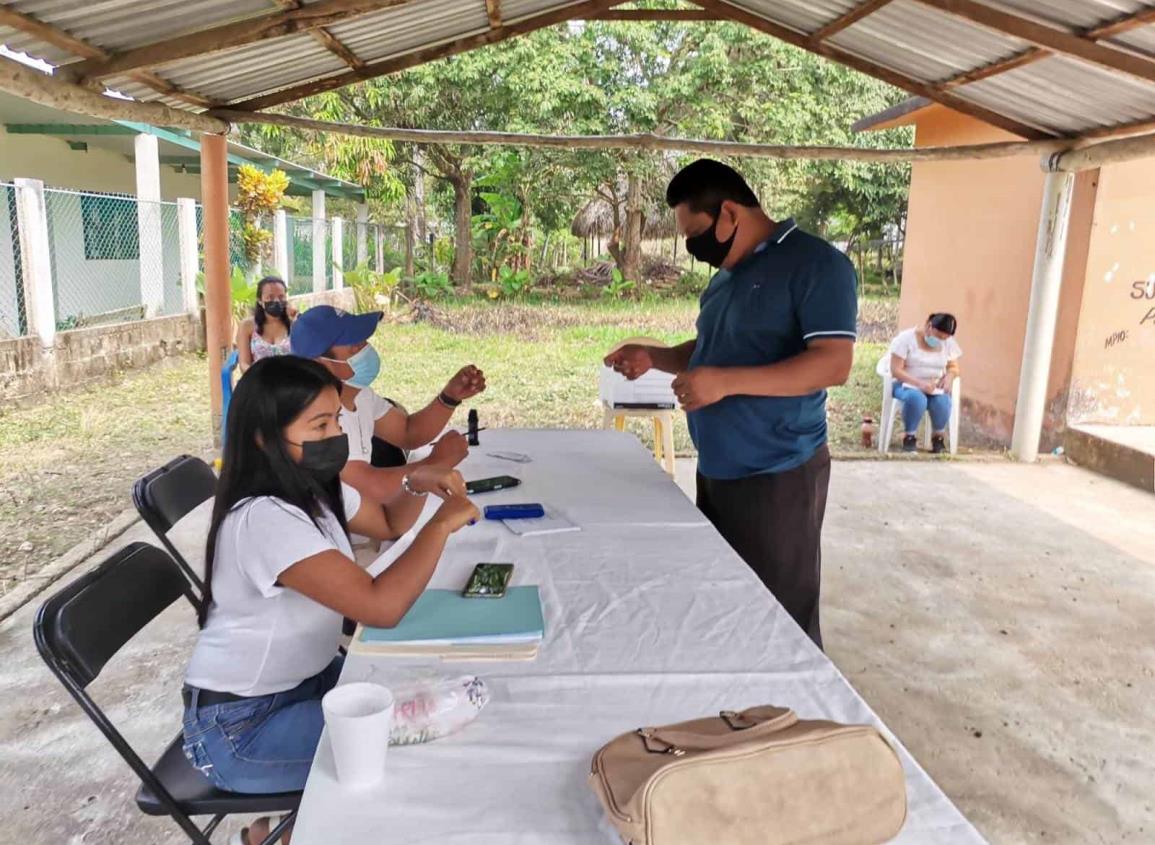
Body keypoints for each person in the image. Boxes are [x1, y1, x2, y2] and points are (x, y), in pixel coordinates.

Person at [181, 356, 479, 845]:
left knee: (430, 700)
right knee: (412, 745)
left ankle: (281, 832)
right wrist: (442, 524)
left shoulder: (312, 486)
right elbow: (380, 607)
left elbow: (387, 525)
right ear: (264, 437)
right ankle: (285, 835)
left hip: (305, 684)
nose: (335, 435)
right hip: (241, 729)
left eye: (336, 421)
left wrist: (420, 479)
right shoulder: (264, 518)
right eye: (319, 424)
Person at [604, 159, 857, 649]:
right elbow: (712, 350)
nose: (693, 248)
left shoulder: (817, 265)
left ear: (729, 214)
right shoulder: (726, 276)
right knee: (726, 601)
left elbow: (833, 364)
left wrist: (725, 383)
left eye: (695, 233)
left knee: (780, 616)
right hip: (718, 470)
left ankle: (793, 716)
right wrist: (654, 357)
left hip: (778, 473)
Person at [290, 305, 486, 506]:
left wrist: (450, 397)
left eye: (364, 340)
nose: (366, 348)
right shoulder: (317, 420)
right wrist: (435, 464)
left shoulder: (361, 395)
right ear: (320, 363)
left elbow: (407, 432)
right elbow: (366, 486)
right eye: (354, 345)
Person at [888, 313, 961, 454]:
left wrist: (949, 377)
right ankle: (909, 437)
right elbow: (895, 370)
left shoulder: (948, 343)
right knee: (917, 399)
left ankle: (938, 438)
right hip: (906, 384)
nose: (941, 341)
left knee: (943, 401)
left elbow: (953, 366)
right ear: (929, 326)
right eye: (939, 337)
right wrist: (920, 384)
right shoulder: (905, 339)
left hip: (933, 387)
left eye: (945, 338)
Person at [236, 276, 294, 371]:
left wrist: (296, 315)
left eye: (281, 297)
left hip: (289, 380)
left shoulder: (295, 324)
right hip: (258, 380)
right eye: (270, 297)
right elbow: (244, 364)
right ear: (260, 301)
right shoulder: (247, 326)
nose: (276, 301)